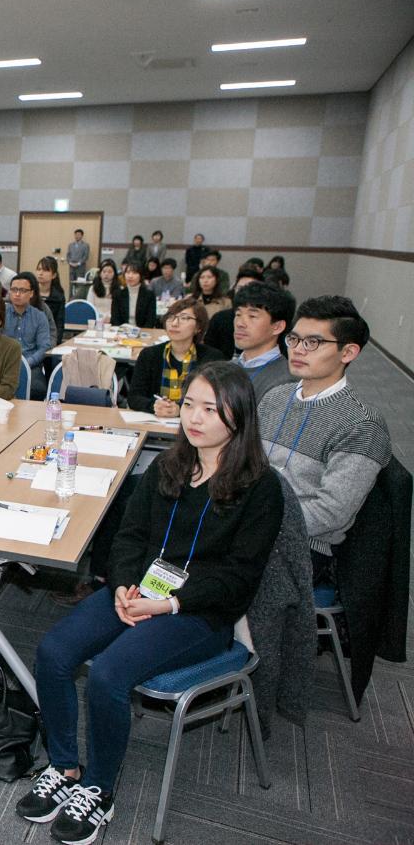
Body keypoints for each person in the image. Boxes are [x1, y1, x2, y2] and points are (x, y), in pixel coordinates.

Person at [20, 363, 282, 845]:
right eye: (189, 405)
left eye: (210, 408)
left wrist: (171, 604)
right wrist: (121, 586)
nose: (194, 418)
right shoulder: (168, 465)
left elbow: (239, 577)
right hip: (140, 592)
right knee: (55, 650)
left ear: (239, 416)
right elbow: (130, 537)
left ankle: (99, 789)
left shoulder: (261, 487)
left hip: (200, 612)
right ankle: (63, 767)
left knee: (109, 673)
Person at [258, 296, 390, 585]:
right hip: (250, 526)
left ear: (348, 352)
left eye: (313, 343)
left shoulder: (362, 425)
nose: (298, 350)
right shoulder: (275, 397)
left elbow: (330, 513)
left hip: (303, 547)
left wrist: (254, 521)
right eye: (294, 339)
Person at [126, 297, 224, 417]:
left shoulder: (213, 359)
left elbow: (217, 402)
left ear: (198, 327)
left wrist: (180, 409)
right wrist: (154, 405)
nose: (174, 323)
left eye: (184, 318)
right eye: (171, 317)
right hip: (156, 424)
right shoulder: (149, 354)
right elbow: (134, 397)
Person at [232, 282, 296, 401]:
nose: (239, 323)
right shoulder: (226, 368)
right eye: (238, 314)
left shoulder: (285, 381)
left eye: (252, 316)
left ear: (277, 327)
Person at [4, 273, 52, 399]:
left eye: (22, 290)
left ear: (31, 293)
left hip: (31, 363)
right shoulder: (0, 314)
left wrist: (28, 362)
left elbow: (45, 347)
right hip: (3, 363)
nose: (17, 294)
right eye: (14, 290)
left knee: (38, 389)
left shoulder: (39, 316)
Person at [203, 269, 261, 360]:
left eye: (250, 289)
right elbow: (208, 351)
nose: (243, 293)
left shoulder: (264, 320)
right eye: (240, 288)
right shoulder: (220, 318)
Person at [110, 263, 157, 328]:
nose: (130, 276)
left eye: (134, 273)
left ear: (141, 275)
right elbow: (115, 319)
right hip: (122, 332)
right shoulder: (118, 294)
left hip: (143, 332)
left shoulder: (149, 295)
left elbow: (151, 320)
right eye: (128, 272)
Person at [35, 256, 66, 335]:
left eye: (45, 270)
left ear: (54, 275)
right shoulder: (30, 293)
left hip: (49, 337)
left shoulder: (58, 297)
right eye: (39, 269)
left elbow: (59, 324)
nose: (41, 273)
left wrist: (56, 343)